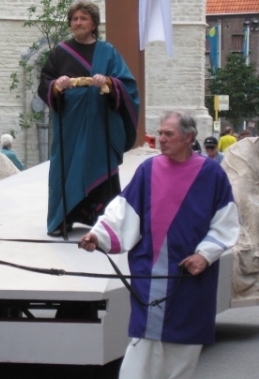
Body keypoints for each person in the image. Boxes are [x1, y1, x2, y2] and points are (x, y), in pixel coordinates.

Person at [79, 111, 239, 379]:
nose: (160, 139)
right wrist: (98, 235)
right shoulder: (148, 170)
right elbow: (123, 211)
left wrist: (205, 255)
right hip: (150, 279)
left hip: (190, 280)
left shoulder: (212, 174)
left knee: (183, 353)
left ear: (188, 137)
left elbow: (226, 222)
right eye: (160, 133)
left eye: (168, 134)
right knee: (141, 353)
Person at [38, 0, 140, 236]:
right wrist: (56, 85)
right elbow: (44, 83)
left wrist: (109, 83)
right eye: (74, 19)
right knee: (66, 166)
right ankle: (63, 219)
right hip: (70, 125)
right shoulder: (60, 52)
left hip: (99, 123)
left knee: (101, 165)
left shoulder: (108, 51)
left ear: (94, 23)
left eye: (83, 18)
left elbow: (127, 85)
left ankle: (105, 221)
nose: (78, 23)